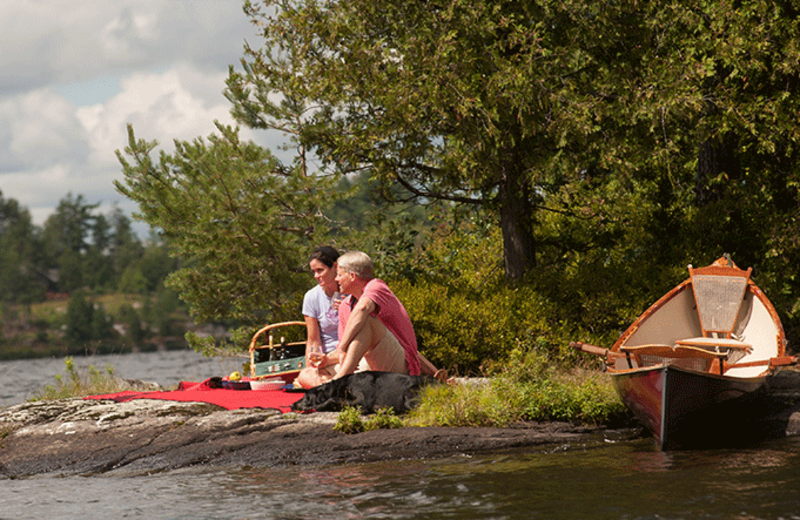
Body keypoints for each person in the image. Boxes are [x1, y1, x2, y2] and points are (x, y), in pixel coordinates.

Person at [298, 250, 441, 388]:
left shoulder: (376, 287)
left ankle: (336, 384)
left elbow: (363, 309)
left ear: (352, 276)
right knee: (306, 374)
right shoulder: (344, 306)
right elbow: (345, 352)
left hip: (398, 364)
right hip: (367, 365)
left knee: (367, 321)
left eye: (339, 275)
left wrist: (341, 349)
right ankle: (336, 387)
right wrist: (326, 360)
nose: (336, 279)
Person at [299, 246, 342, 383]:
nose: (316, 276)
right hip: (326, 360)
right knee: (304, 377)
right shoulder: (312, 297)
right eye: (313, 272)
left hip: (349, 355)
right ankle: (332, 387)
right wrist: (310, 367)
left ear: (335, 267)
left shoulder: (351, 291)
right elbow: (313, 340)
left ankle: (328, 387)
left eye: (320, 270)